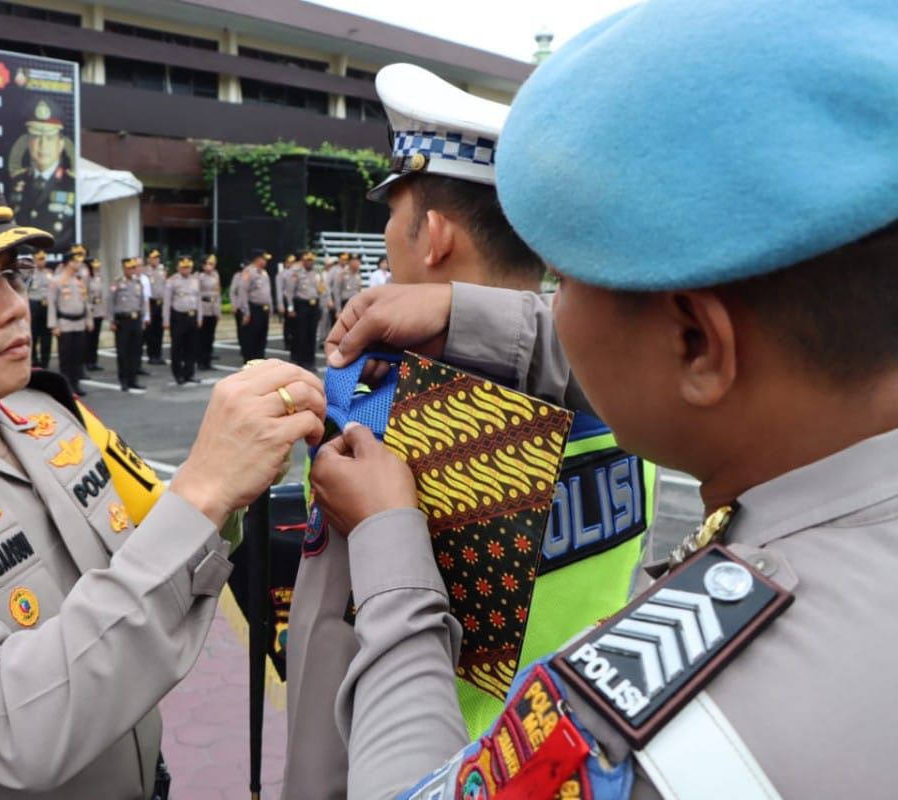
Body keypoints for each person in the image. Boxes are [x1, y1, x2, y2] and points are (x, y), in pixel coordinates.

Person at [316, 1, 898, 797]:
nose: (550, 309)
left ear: (696, 341)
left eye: (568, 280)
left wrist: (391, 552)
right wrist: (468, 314)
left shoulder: (628, 734)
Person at [0, 151, 328, 800]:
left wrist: (231, 489)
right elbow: (18, 726)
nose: (16, 308)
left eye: (10, 277)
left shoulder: (43, 413)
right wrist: (203, 490)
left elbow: (150, 547)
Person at [282, 63, 656, 800]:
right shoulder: (624, 384)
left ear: (435, 238)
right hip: (582, 760)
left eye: (393, 216)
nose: (385, 238)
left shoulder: (376, 419)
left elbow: (330, 664)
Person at [7, 98, 76, 237]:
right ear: (28, 142)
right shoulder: (15, 181)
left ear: (61, 144)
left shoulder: (72, 183)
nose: (43, 145)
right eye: (36, 137)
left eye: (50, 138)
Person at [48, 248, 92, 396]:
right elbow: (52, 304)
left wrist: (89, 319)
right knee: (66, 357)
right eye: (75, 261)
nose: (78, 264)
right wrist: (54, 325)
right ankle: (66, 387)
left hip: (79, 322)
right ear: (67, 263)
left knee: (77, 355)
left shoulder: (79, 280)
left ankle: (76, 384)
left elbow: (85, 301)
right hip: (65, 323)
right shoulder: (56, 281)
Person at [109, 257, 150, 392]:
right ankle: (124, 380)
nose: (133, 270)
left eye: (134, 267)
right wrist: (112, 320)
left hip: (136, 319)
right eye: (130, 268)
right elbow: (111, 302)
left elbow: (142, 301)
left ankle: (133, 380)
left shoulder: (138, 282)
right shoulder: (117, 282)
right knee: (123, 351)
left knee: (135, 351)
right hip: (123, 320)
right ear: (124, 268)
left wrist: (144, 318)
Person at [163, 256, 203, 386]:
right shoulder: (172, 281)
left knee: (191, 347)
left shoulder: (195, 280)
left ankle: (189, 373)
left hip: (192, 315)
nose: (187, 270)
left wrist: (199, 317)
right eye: (184, 267)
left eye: (189, 267)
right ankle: (178, 374)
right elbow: (167, 302)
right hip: (178, 316)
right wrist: (166, 320)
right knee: (177, 347)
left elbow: (198, 300)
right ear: (179, 267)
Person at [284, 252, 322, 370]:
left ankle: (310, 361)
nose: (310, 262)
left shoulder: (317, 273)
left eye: (312, 260)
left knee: (312, 334)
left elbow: (322, 289)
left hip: (314, 305)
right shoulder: (296, 273)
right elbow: (289, 292)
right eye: (307, 260)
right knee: (301, 334)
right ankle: (300, 360)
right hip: (301, 305)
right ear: (303, 261)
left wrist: (322, 305)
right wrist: (290, 308)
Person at [235, 250, 272, 362]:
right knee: (251, 336)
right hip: (253, 308)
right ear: (257, 259)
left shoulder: (264, 272)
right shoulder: (248, 272)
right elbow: (243, 292)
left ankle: (259, 358)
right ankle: (250, 359)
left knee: (262, 335)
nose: (266, 261)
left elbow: (267, 293)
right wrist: (246, 312)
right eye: (264, 259)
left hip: (264, 309)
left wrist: (270, 309)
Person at [26, 250, 53, 368]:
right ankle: (33, 360)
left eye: (44, 259)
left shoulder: (49, 273)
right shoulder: (30, 274)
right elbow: (24, 289)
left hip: (46, 306)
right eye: (40, 259)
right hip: (34, 304)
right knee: (34, 334)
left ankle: (45, 361)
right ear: (35, 260)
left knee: (47, 336)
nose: (43, 261)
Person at [143, 250, 168, 366]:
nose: (156, 260)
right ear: (148, 259)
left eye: (157, 258)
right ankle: (151, 355)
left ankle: (158, 354)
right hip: (151, 302)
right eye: (153, 258)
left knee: (159, 330)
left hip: (161, 302)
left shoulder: (162, 270)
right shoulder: (145, 271)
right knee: (150, 331)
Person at [197, 254, 221, 370]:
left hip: (212, 308)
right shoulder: (199, 276)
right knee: (202, 337)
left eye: (211, 264)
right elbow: (196, 295)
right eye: (208, 264)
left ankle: (208, 361)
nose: (210, 266)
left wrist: (218, 310)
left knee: (210, 337)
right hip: (203, 307)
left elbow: (218, 293)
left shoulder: (215, 275)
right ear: (203, 265)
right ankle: (200, 361)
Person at [84, 257, 106, 373]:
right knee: (88, 338)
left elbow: (101, 295)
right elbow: (85, 296)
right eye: (94, 266)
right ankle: (87, 361)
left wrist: (103, 310)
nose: (97, 267)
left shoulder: (98, 277)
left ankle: (93, 361)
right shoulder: (86, 278)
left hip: (98, 310)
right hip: (90, 310)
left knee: (95, 338)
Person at [277, 254, 298, 351]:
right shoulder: (282, 274)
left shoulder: (296, 273)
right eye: (289, 262)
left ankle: (294, 340)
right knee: (288, 323)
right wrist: (280, 304)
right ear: (285, 263)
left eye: (293, 262)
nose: (291, 264)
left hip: (296, 300)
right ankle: (287, 341)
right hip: (286, 299)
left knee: (295, 323)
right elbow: (279, 291)